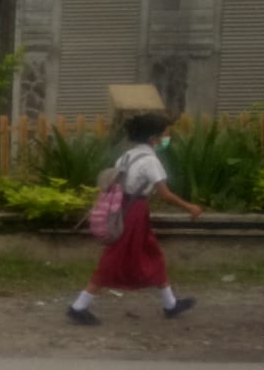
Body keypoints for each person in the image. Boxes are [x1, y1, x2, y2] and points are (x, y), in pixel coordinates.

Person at [68, 112, 204, 326]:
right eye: (165, 134)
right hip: (135, 212)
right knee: (115, 257)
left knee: (151, 252)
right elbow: (165, 194)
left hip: (123, 208)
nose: (167, 138)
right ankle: (79, 306)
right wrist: (190, 207)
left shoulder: (126, 156)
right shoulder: (150, 161)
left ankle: (170, 303)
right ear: (153, 138)